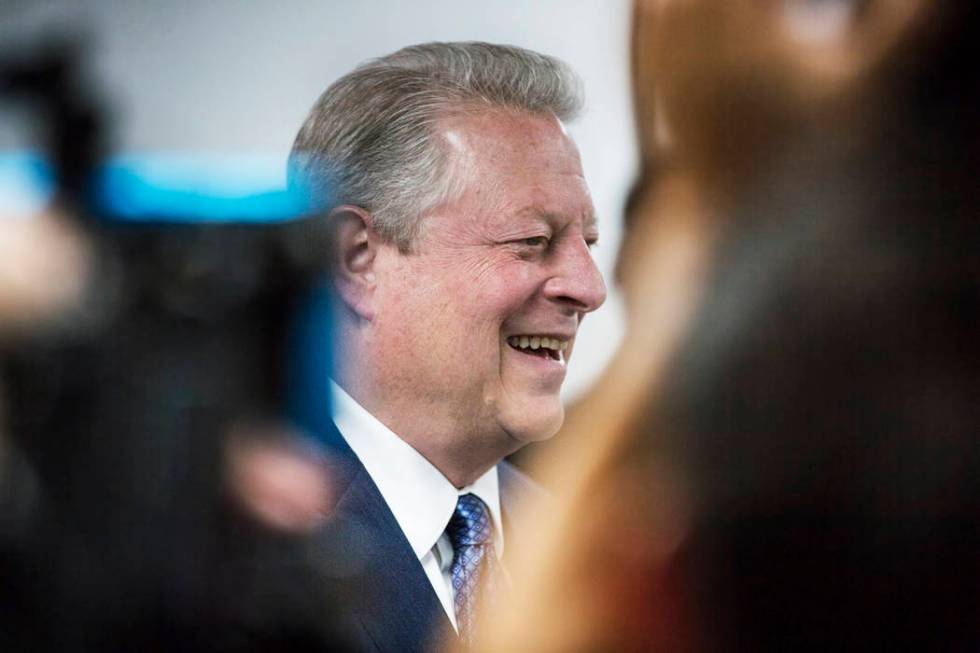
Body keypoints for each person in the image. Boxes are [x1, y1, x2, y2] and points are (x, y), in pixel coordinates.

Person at [288, 42, 606, 652]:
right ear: (356, 261)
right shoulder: (243, 543)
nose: (589, 289)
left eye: (588, 242)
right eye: (532, 241)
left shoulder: (581, 547)